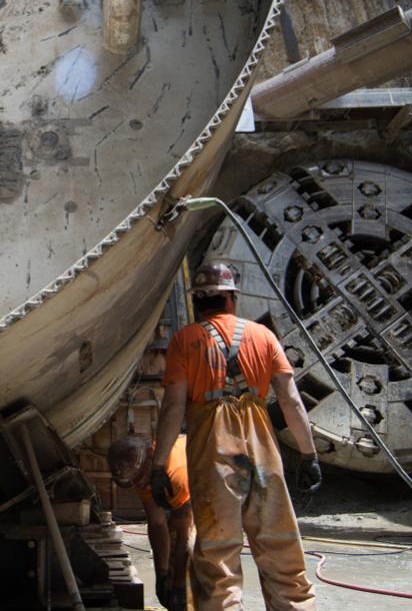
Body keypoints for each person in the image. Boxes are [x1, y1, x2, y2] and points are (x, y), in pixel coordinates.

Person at [151, 261, 320, 611]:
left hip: (214, 444)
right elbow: (291, 401)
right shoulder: (264, 336)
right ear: (232, 299)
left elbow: (172, 409)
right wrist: (309, 455)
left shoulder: (187, 340)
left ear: (198, 302)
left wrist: (159, 463)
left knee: (218, 552)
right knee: (280, 542)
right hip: (261, 441)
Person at [108, 434, 193, 611]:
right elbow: (157, 523)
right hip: (177, 497)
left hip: (208, 498)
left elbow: (185, 533)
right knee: (171, 570)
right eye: (134, 482)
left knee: (196, 560)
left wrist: (178, 585)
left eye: (139, 480)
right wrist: (161, 574)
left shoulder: (176, 472)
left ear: (150, 458)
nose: (138, 485)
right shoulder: (141, 471)